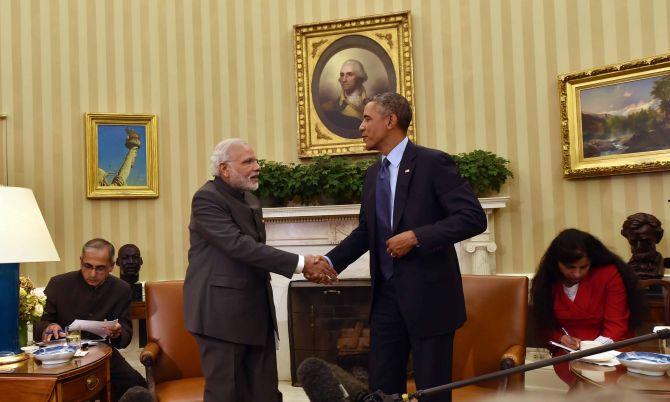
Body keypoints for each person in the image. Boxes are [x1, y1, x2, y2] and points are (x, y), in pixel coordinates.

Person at [320, 92, 487, 402]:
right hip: (385, 300)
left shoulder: (432, 163)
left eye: (367, 119)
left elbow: (473, 218)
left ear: (390, 120)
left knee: (431, 393)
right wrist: (329, 262)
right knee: (382, 389)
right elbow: (366, 232)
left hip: (430, 300)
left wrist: (417, 236)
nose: (361, 127)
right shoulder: (372, 175)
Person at [183, 138, 338, 402]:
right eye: (248, 162)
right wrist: (301, 264)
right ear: (224, 168)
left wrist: (306, 265)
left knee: (265, 393)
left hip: (255, 311)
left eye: (256, 160)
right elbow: (239, 246)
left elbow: (256, 254)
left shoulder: (250, 199)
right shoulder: (206, 198)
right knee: (227, 394)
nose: (257, 167)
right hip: (221, 316)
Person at [35, 238, 147, 401]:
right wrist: (49, 326)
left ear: (111, 266)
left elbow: (126, 334)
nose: (93, 274)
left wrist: (117, 332)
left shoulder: (121, 289)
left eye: (100, 268)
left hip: (103, 355)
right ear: (81, 261)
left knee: (138, 388)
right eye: (88, 266)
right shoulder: (59, 284)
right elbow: (39, 323)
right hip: (62, 356)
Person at [530, 228, 643, 385]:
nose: (577, 273)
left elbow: (617, 324)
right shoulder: (547, 283)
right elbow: (545, 326)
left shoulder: (609, 274)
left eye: (583, 267)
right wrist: (560, 338)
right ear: (556, 263)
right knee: (583, 386)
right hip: (568, 353)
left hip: (612, 348)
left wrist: (593, 348)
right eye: (570, 267)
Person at [322, 59, 369, 135]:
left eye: (349, 74)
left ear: (359, 77)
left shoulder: (373, 105)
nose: (344, 79)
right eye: (342, 75)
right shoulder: (329, 108)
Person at [621, 212, 666, 279]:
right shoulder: (625, 270)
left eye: (645, 241)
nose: (639, 246)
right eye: (633, 241)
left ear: (658, 238)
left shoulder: (661, 265)